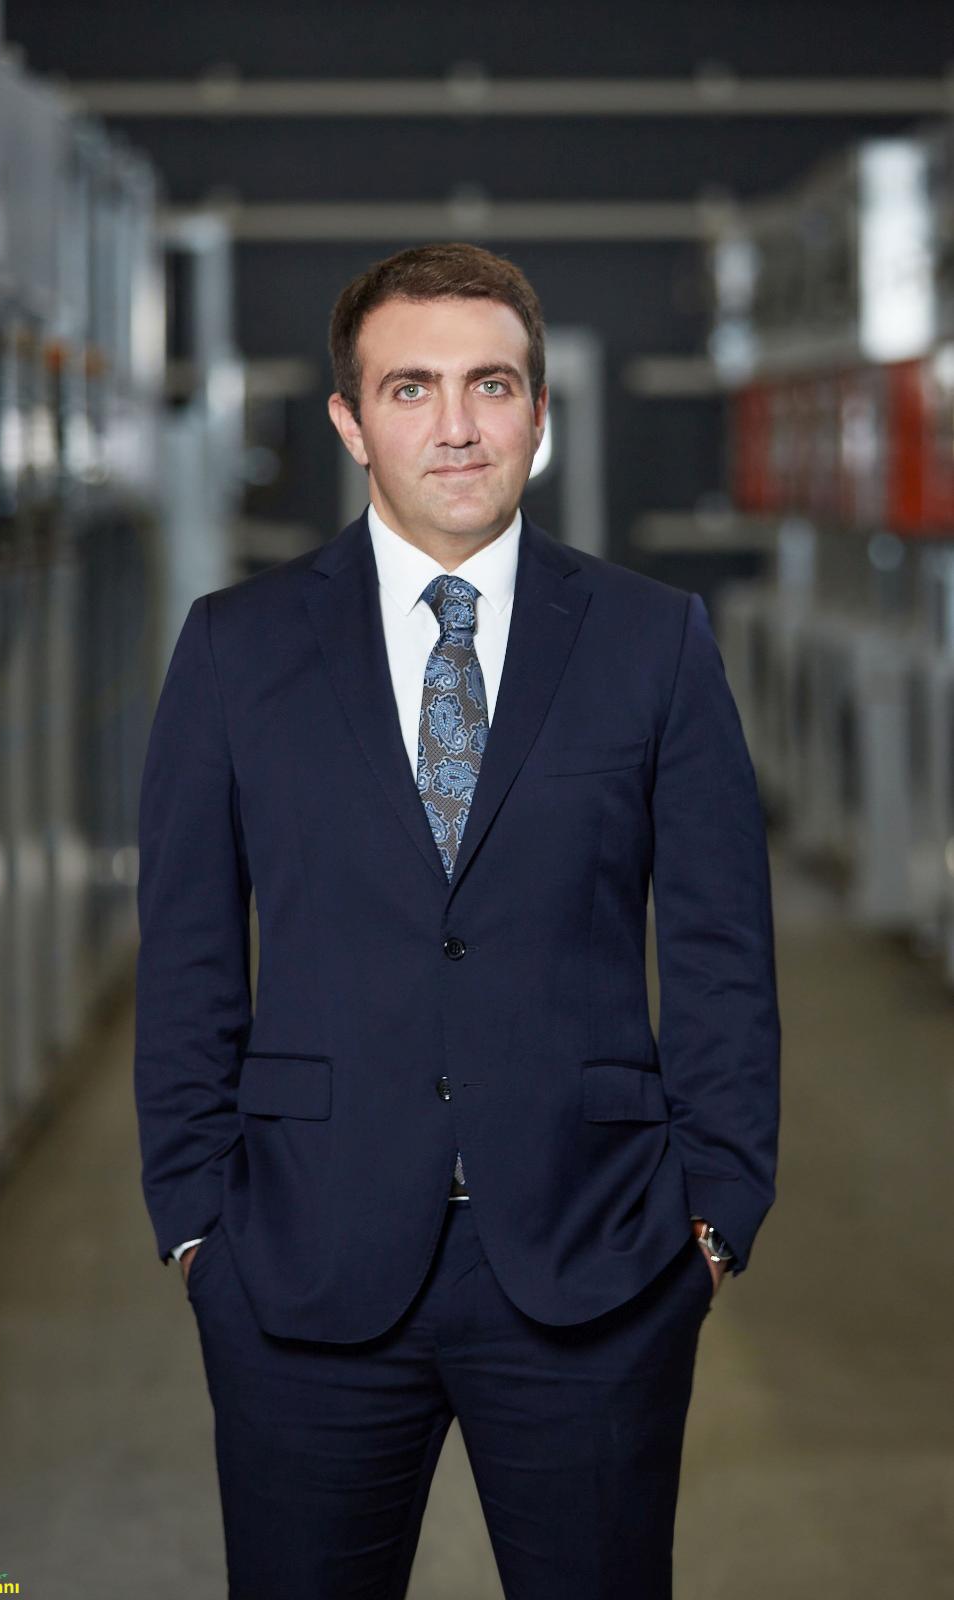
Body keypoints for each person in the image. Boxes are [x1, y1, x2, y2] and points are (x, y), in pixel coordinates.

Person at [133, 240, 780, 1599]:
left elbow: (720, 943)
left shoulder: (651, 639)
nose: (456, 425)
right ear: (348, 421)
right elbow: (187, 954)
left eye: (490, 385)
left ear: (539, 413)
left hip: (597, 1258)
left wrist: (716, 1212)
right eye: (410, 388)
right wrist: (197, 1224)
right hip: (300, 1260)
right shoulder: (235, 646)